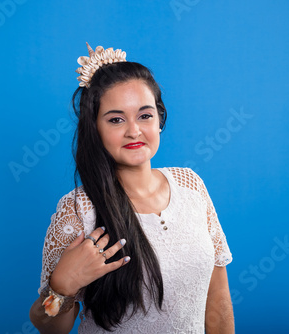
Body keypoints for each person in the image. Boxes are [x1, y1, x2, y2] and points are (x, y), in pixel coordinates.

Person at [29, 43, 234, 333]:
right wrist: (63, 285)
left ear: (159, 119)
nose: (134, 131)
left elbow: (218, 297)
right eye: (116, 119)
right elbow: (52, 328)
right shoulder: (77, 211)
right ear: (95, 129)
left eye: (145, 115)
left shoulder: (191, 185)